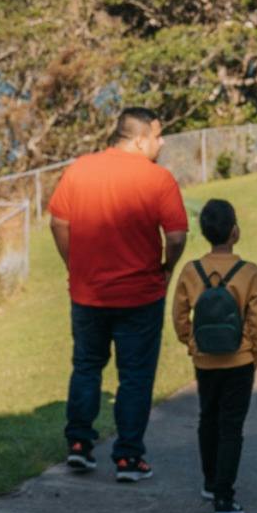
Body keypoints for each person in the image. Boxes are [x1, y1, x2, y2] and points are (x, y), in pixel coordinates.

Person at [48, 107, 188, 482]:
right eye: (158, 136)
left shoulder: (79, 170)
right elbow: (176, 236)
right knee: (136, 378)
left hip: (87, 293)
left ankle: (79, 444)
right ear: (140, 138)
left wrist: (72, 262)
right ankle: (127, 458)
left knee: (87, 367)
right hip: (140, 296)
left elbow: (59, 222)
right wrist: (166, 265)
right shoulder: (158, 179)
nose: (161, 143)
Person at [172, 198, 257, 513]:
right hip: (239, 360)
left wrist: (191, 342)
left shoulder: (191, 271)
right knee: (231, 426)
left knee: (208, 418)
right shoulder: (250, 273)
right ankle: (224, 498)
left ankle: (210, 481)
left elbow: (179, 315)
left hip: (205, 361)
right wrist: (255, 352)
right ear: (235, 231)